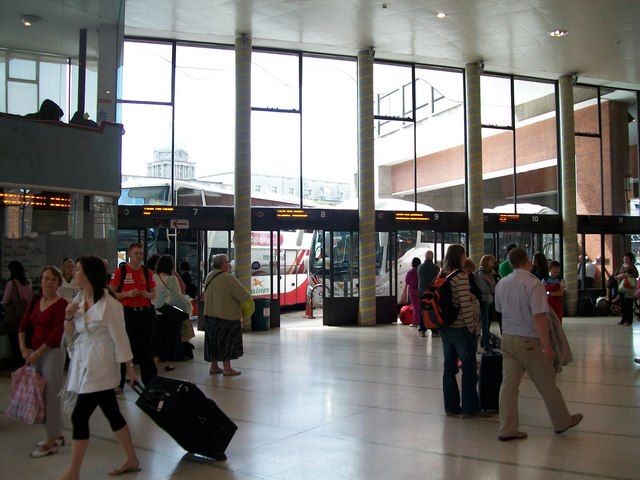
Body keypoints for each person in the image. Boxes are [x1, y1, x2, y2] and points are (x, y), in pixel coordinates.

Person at [59, 256, 140, 479]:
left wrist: (130, 369)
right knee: (112, 412)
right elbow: (71, 334)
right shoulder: (77, 300)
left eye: (77, 270)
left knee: (79, 416)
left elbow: (120, 337)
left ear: (88, 274)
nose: (73, 273)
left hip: (101, 364)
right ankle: (131, 458)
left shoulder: (110, 304)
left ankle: (73, 471)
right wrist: (67, 317)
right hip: (83, 361)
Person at [494, 248, 583, 441]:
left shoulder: (502, 283)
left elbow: (499, 310)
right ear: (526, 261)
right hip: (530, 341)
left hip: (508, 339)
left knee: (508, 386)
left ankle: (507, 428)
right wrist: (548, 346)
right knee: (547, 384)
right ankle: (562, 421)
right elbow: (539, 317)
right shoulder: (533, 284)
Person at [18, 266, 67, 458]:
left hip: (52, 353)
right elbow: (23, 325)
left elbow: (57, 334)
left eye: (53, 279)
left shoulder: (61, 304)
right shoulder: (36, 301)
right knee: (42, 394)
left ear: (58, 283)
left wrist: (38, 353)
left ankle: (51, 441)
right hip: (34, 354)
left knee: (51, 395)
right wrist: (23, 348)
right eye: (46, 278)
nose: (48, 282)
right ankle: (58, 434)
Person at [439, 244, 487, 418]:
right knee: (468, 368)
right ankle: (470, 407)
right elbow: (465, 306)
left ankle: (451, 407)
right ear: (460, 257)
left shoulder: (442, 274)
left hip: (445, 328)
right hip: (460, 329)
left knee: (449, 368)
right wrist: (473, 328)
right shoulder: (460, 276)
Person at [108, 243, 157, 389]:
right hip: (128, 313)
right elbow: (111, 293)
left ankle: (150, 381)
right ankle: (119, 381)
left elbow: (153, 293)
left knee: (146, 348)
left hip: (145, 312)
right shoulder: (120, 272)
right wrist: (127, 294)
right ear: (130, 254)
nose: (139, 256)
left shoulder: (147, 272)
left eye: (141, 253)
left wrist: (147, 294)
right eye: (136, 253)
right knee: (124, 346)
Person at [203, 254, 252, 376]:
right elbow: (244, 295)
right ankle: (227, 368)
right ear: (222, 264)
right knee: (226, 342)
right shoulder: (228, 278)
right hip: (226, 315)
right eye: (227, 261)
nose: (230, 264)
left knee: (213, 341)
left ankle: (214, 366)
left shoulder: (209, 276)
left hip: (210, 315)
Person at [151, 254, 185, 372]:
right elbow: (177, 295)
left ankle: (155, 359)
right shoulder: (172, 278)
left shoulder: (154, 277)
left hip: (157, 310)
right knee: (171, 337)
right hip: (170, 311)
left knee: (159, 336)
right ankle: (169, 362)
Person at [1, 260, 34, 366]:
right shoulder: (28, 283)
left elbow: (5, 301)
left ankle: (18, 367)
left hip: (15, 319)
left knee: (15, 344)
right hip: (27, 316)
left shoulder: (12, 283)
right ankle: (26, 365)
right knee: (25, 343)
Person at [475, 255, 496, 351]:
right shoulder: (481, 273)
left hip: (488, 299)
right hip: (484, 300)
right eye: (491, 260)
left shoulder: (489, 272)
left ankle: (485, 342)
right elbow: (484, 288)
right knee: (485, 322)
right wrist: (491, 286)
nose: (493, 262)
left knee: (486, 322)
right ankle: (486, 345)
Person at [418, 250, 441, 337]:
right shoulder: (436, 268)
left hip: (422, 292)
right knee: (433, 310)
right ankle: (434, 331)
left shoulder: (420, 267)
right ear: (432, 257)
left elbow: (419, 280)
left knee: (422, 310)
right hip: (432, 292)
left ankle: (422, 330)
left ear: (425, 256)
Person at [616, 252, 638, 326]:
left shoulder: (631, 267)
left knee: (628, 303)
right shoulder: (621, 266)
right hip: (621, 287)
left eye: (627, 258)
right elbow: (615, 276)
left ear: (630, 259)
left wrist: (627, 275)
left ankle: (629, 320)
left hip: (628, 287)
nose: (625, 259)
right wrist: (619, 276)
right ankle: (623, 319)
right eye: (625, 257)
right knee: (622, 304)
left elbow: (636, 275)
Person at [404, 257, 422, 333]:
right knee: (421, 306)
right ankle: (422, 321)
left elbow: (407, 281)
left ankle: (415, 322)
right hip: (421, 290)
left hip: (413, 291)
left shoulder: (410, 272)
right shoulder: (421, 271)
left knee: (415, 307)